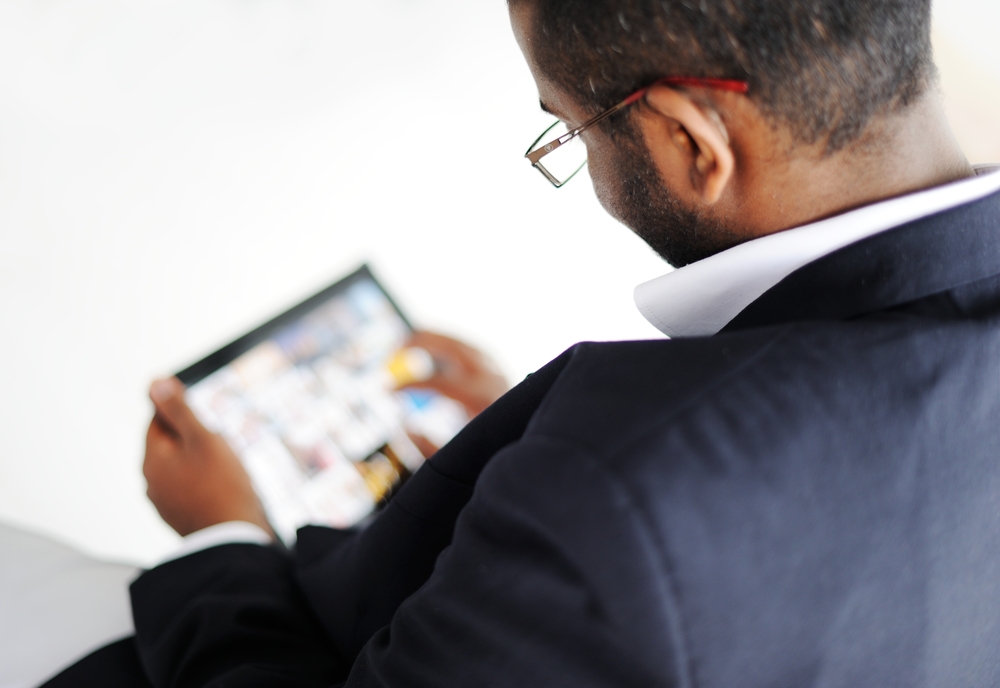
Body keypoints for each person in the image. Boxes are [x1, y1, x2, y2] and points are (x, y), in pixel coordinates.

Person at [34, 0, 1000, 684]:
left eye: (568, 132)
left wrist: (221, 537)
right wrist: (515, 455)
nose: (576, 157)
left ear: (689, 142)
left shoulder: (616, 493)